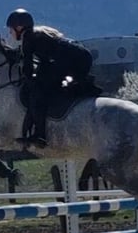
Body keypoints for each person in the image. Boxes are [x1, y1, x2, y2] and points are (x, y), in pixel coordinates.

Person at [6, 8, 99, 148]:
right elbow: (44, 63)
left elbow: (28, 66)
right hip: (82, 57)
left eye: (11, 29)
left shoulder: (28, 37)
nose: (10, 33)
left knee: (37, 93)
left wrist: (28, 79)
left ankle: (40, 136)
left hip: (71, 61)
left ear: (19, 28)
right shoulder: (38, 33)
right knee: (43, 81)